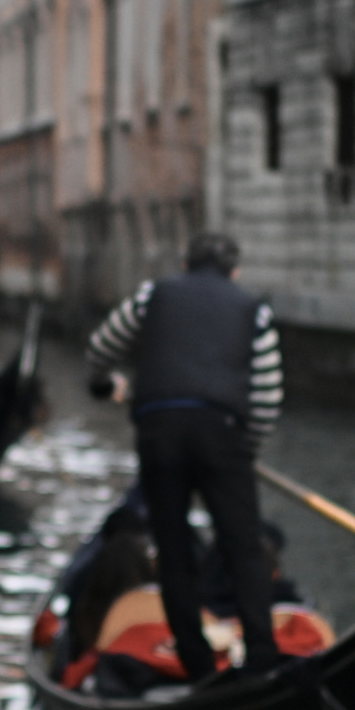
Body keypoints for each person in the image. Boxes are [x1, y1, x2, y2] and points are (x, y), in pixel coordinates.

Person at [85, 230, 286, 679]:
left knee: (173, 550)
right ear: (234, 271)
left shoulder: (152, 296)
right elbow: (268, 397)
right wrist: (244, 451)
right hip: (222, 433)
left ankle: (197, 667)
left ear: (185, 265)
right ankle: (261, 661)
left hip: (159, 431)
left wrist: (101, 384)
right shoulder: (253, 309)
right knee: (243, 547)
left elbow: (101, 348)